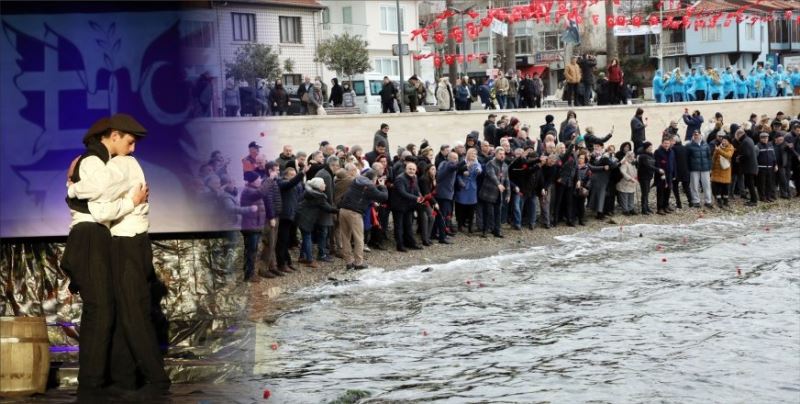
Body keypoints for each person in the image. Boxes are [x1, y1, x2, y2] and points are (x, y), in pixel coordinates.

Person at [61, 114, 150, 401]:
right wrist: (74, 189)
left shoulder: (102, 161)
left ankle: (99, 382)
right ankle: (90, 386)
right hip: (88, 236)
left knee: (105, 311)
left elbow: (104, 197)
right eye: (129, 142)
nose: (132, 149)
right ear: (113, 135)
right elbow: (100, 198)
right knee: (99, 311)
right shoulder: (91, 159)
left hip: (97, 237)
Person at [338, 170, 388, 269]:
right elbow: (384, 197)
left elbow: (364, 193)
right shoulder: (370, 187)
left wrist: (376, 187)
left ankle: (349, 261)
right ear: (373, 179)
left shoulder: (356, 181)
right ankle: (358, 263)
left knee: (345, 237)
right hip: (355, 213)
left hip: (343, 210)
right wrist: (383, 186)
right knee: (359, 238)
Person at [295, 177, 338, 268]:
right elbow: (328, 208)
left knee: (306, 237)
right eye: (323, 184)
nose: (325, 185)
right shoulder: (319, 197)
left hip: (300, 216)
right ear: (319, 186)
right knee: (307, 238)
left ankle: (302, 257)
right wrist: (339, 210)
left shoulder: (309, 192)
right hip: (306, 219)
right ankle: (310, 260)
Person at [390, 162, 423, 251]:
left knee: (408, 225)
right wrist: (416, 198)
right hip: (398, 205)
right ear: (406, 169)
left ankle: (410, 243)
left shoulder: (414, 177)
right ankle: (400, 245)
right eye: (410, 169)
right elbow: (402, 193)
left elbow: (416, 189)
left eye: (413, 169)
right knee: (399, 226)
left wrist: (420, 196)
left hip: (409, 205)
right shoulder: (400, 179)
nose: (411, 171)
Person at [478, 147, 510, 238]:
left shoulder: (505, 165)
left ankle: (497, 231)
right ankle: (485, 230)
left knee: (498, 213)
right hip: (488, 193)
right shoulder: (490, 163)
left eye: (503, 154)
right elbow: (491, 175)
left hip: (499, 194)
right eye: (500, 154)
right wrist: (498, 184)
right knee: (488, 213)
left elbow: (507, 180)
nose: (502, 155)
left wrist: (508, 194)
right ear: (495, 154)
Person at [686, 131, 714, 209]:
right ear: (693, 136)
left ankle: (708, 201)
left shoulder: (706, 145)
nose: (696, 136)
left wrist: (710, 167)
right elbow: (687, 158)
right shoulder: (689, 146)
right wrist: (688, 168)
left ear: (700, 135)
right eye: (695, 135)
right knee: (694, 185)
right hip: (694, 169)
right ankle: (696, 201)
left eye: (697, 135)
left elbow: (709, 157)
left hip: (705, 169)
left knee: (707, 185)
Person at [710, 135, 735, 207]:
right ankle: (719, 200)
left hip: (725, 170)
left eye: (725, 141)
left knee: (725, 186)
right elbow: (714, 158)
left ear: (729, 141)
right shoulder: (718, 147)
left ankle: (726, 201)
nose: (724, 142)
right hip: (717, 169)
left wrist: (719, 150)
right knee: (717, 186)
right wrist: (712, 167)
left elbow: (728, 155)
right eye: (723, 140)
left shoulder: (730, 147)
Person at [653, 137, 675, 215]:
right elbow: (656, 164)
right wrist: (660, 171)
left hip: (669, 175)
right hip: (661, 175)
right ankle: (660, 208)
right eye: (665, 143)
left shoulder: (671, 151)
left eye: (668, 143)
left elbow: (674, 163)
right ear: (662, 143)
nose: (666, 145)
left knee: (668, 191)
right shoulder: (658, 152)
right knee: (661, 192)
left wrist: (674, 174)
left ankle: (666, 206)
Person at [756, 132, 776, 202]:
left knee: (769, 183)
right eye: (763, 138)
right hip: (761, 168)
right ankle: (762, 197)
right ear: (760, 138)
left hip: (770, 168)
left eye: (766, 138)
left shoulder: (770, 145)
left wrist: (775, 165)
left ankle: (768, 196)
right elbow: (755, 158)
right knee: (761, 184)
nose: (765, 139)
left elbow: (773, 156)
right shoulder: (757, 146)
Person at [616, 151, 638, 215]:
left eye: (633, 156)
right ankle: (625, 210)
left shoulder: (632, 163)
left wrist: (636, 177)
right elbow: (623, 172)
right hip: (624, 182)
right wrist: (630, 178)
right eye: (631, 156)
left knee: (631, 196)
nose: (633, 157)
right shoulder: (624, 162)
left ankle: (631, 208)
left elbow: (635, 170)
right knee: (624, 197)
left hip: (632, 183)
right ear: (628, 156)